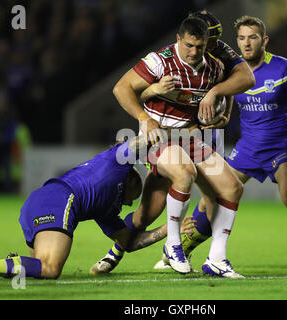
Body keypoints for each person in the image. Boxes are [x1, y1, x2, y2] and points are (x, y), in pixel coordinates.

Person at [156, 15, 287, 274]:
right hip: (247, 148)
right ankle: (180, 252)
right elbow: (230, 93)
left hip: (281, 147)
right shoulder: (231, 70)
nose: (246, 43)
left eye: (252, 38)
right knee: (210, 199)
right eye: (241, 38)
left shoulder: (284, 69)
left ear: (264, 40)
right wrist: (224, 115)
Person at [93, 14, 254, 277]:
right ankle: (173, 245)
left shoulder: (213, 68)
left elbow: (233, 86)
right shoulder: (160, 61)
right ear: (179, 39)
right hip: (158, 138)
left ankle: (216, 259)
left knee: (231, 188)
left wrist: (223, 110)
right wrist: (145, 117)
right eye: (189, 45)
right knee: (184, 173)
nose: (194, 52)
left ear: (207, 45)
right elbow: (121, 89)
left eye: (200, 47)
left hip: (190, 139)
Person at [0, 140, 193, 280]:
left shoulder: (106, 210)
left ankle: (6, 263)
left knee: (37, 268)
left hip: (37, 202)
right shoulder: (116, 163)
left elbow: (128, 243)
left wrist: (169, 230)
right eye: (132, 197)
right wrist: (161, 135)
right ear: (129, 182)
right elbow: (140, 141)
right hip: (59, 200)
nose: (129, 204)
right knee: (50, 269)